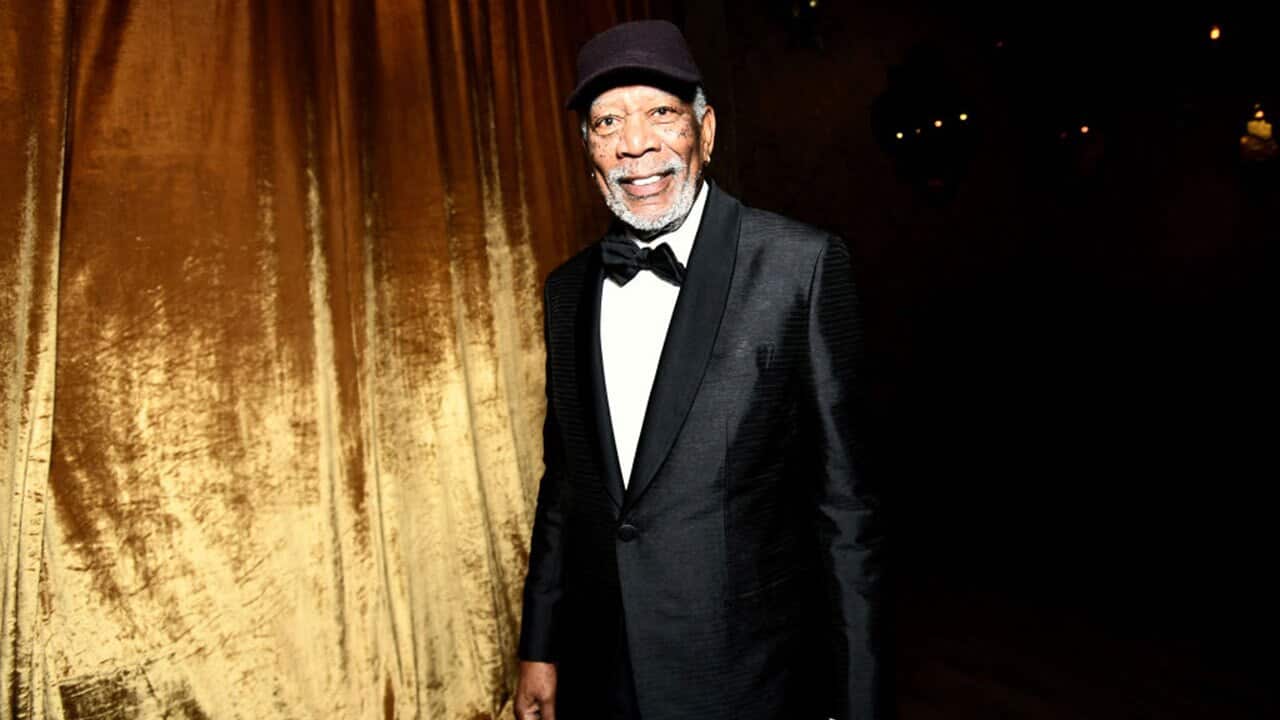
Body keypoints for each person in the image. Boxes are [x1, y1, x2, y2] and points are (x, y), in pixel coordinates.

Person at [514, 19, 887, 720]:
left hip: (753, 682)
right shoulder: (566, 292)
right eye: (607, 122)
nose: (635, 144)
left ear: (706, 131)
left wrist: (861, 700)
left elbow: (846, 513)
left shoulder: (801, 267)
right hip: (605, 676)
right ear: (588, 150)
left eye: (662, 112)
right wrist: (540, 645)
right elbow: (563, 487)